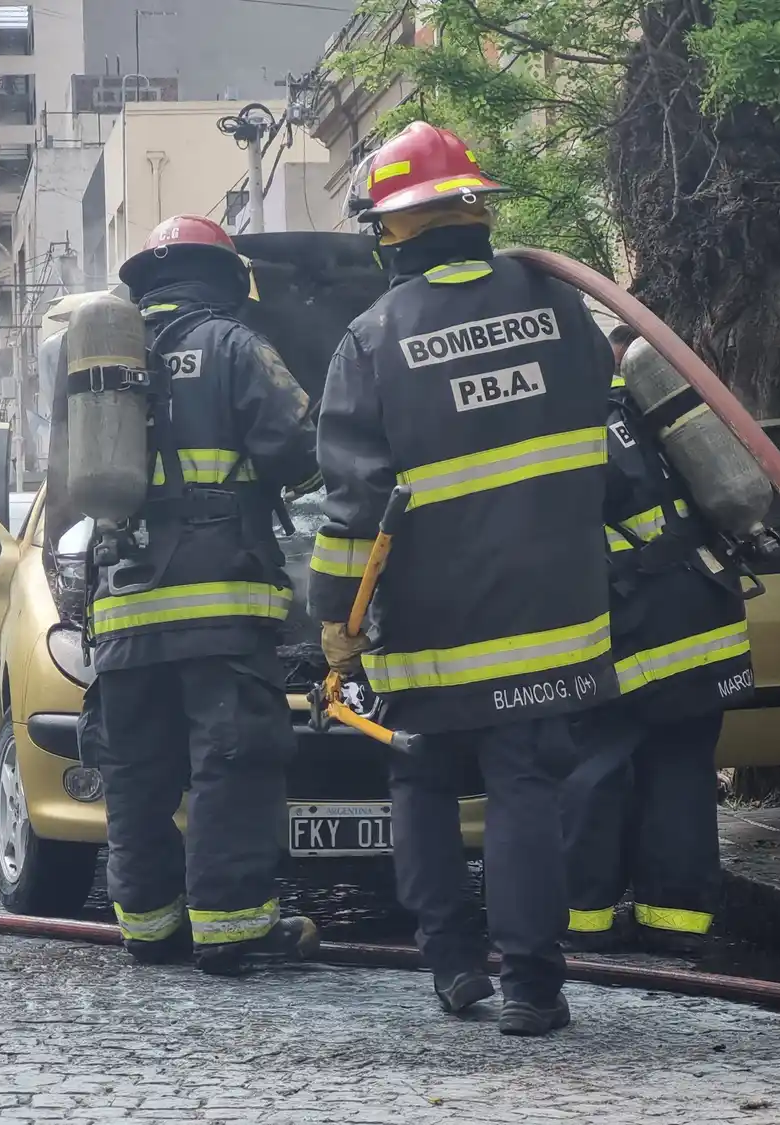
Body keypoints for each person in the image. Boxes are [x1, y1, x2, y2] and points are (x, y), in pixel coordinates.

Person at [310, 121, 616, 1036]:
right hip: (556, 610)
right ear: (477, 206)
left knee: (425, 780)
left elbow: (353, 509)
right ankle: (533, 985)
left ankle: (451, 965)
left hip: (434, 624)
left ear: (390, 229)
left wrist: (335, 619)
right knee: (526, 784)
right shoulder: (562, 304)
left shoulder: (372, 340)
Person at [86, 215, 323, 975]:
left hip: (122, 609)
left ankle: (148, 928)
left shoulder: (100, 360)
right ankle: (229, 929)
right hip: (220, 605)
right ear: (224, 279)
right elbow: (297, 448)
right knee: (232, 761)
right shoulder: (231, 345)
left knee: (138, 773)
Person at [560, 337, 753, 954]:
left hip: (630, 633)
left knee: (594, 770)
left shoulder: (560, 430)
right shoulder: (642, 416)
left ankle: (583, 921)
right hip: (702, 616)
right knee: (682, 771)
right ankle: (677, 924)